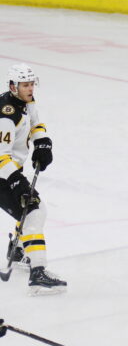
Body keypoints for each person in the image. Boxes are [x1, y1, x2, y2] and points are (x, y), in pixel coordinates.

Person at [0, 64, 66, 295]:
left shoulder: (25, 100)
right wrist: (17, 182)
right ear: (12, 86)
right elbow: (0, 156)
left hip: (9, 172)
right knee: (34, 211)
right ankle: (38, 273)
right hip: (3, 174)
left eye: (31, 84)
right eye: (25, 85)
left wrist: (42, 141)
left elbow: (36, 123)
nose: (30, 89)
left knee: (32, 211)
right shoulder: (6, 114)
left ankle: (18, 251)